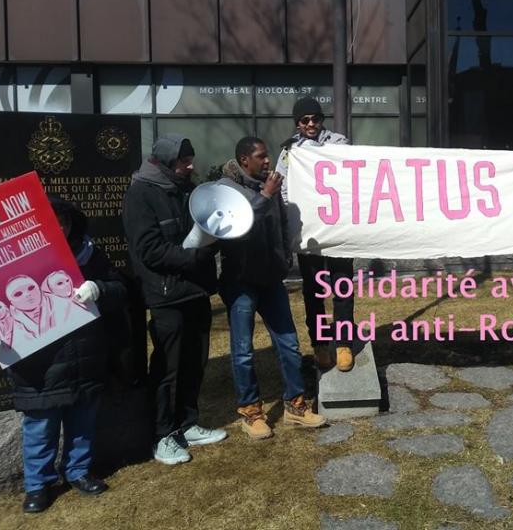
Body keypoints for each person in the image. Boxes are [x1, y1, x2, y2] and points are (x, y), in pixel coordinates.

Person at [0, 198, 127, 513]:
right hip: (37, 368)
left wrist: (99, 288)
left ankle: (79, 471)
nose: (59, 228)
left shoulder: (88, 253)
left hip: (85, 355)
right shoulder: (8, 261)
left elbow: (120, 289)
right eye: (50, 221)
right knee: (40, 428)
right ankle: (38, 485)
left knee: (83, 422)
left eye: (64, 222)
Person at [122, 134, 225, 466]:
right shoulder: (141, 194)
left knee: (196, 360)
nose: (190, 165)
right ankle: (162, 435)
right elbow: (148, 250)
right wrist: (191, 257)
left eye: (191, 159)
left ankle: (187, 423)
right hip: (166, 294)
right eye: (184, 161)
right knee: (169, 366)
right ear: (166, 162)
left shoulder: (185, 189)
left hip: (194, 290)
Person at [219, 137, 327, 439]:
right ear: (244, 160)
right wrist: (266, 196)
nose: (268, 162)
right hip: (240, 282)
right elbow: (236, 226)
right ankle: (251, 411)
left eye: (267, 156)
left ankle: (296, 405)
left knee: (289, 344)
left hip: (270, 279)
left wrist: (284, 259)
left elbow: (280, 225)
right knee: (243, 351)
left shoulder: (270, 185)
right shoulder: (227, 189)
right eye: (261, 157)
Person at [275, 97, 356, 372]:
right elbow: (282, 186)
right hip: (309, 231)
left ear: (322, 120)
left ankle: (344, 343)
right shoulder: (289, 150)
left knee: (343, 286)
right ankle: (320, 344)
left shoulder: (340, 143)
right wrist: (292, 218)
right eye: (304, 120)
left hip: (338, 229)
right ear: (297, 123)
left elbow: (354, 178)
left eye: (315, 119)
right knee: (313, 290)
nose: (310, 124)